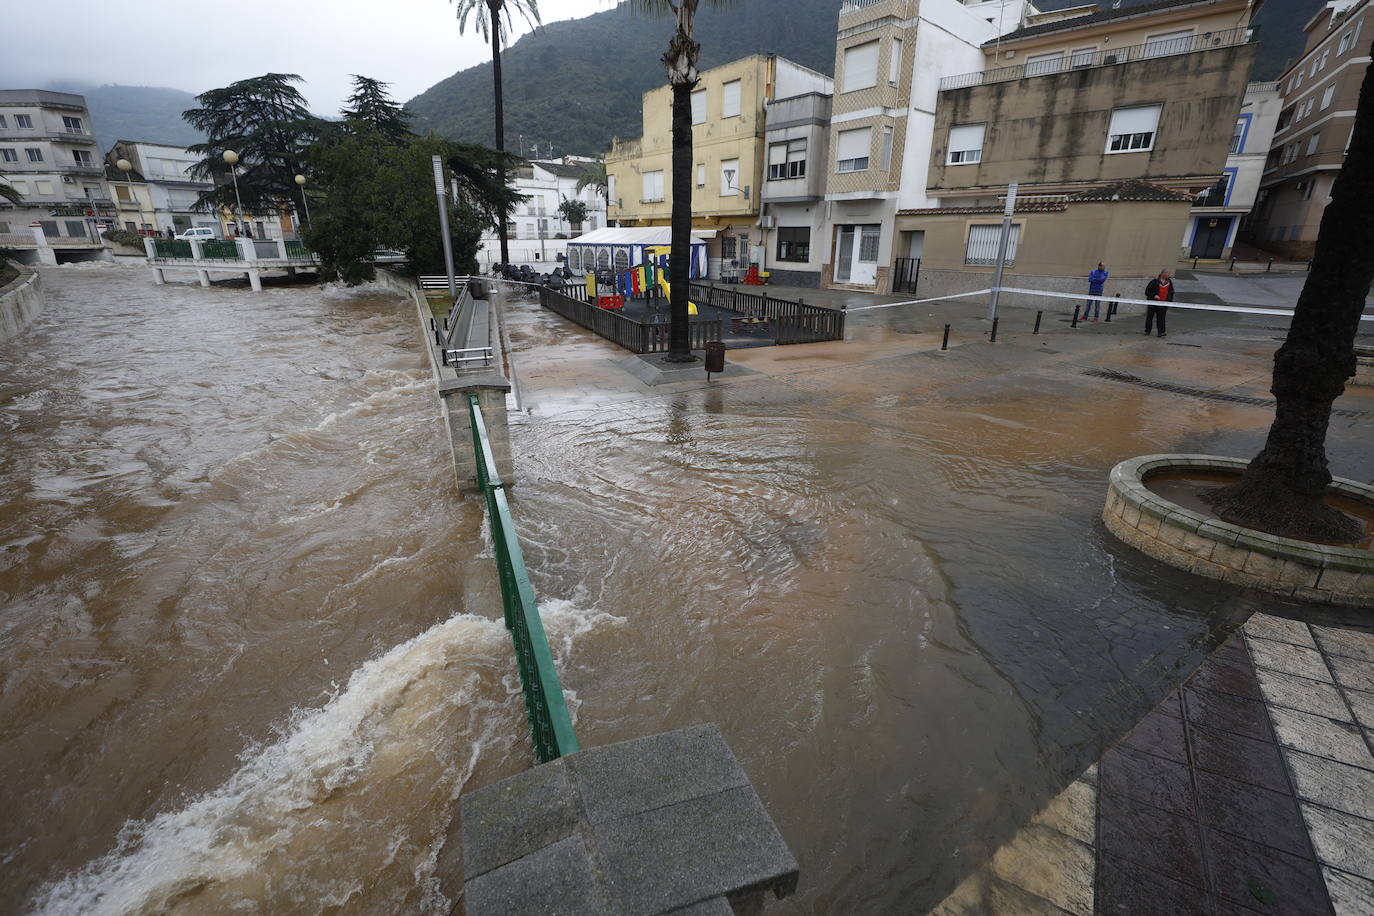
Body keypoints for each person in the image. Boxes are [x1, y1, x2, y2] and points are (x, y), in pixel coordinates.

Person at [1144, 269, 1174, 337]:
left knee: (1161, 318)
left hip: (1163, 304)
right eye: (1167, 274)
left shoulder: (1169, 282)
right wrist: (1154, 295)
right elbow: (1147, 291)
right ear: (1163, 274)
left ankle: (1161, 332)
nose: (1168, 275)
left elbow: (1171, 292)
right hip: (1153, 303)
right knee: (1149, 317)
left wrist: (1170, 302)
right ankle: (1147, 330)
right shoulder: (1154, 282)